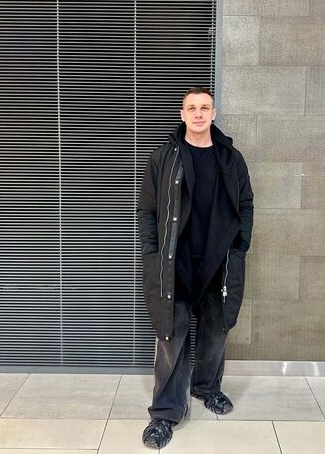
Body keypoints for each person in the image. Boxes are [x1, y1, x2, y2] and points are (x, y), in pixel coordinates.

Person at [137, 86, 254, 449]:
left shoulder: (231, 158)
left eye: (205, 107)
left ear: (213, 113)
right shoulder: (164, 157)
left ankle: (206, 387)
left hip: (219, 261)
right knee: (170, 336)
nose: (199, 113)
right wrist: (151, 253)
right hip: (175, 261)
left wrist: (239, 248)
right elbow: (148, 209)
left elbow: (246, 204)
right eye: (192, 108)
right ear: (183, 114)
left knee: (216, 331)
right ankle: (165, 413)